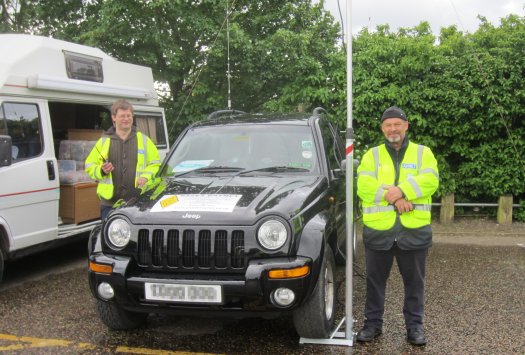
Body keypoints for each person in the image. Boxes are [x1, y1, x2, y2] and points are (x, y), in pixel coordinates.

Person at [356, 106, 439, 346]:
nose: (393, 129)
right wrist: (395, 198)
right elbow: (364, 185)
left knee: (414, 284)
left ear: (406, 126)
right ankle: (372, 325)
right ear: (382, 128)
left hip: (413, 232)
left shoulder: (424, 153)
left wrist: (402, 189)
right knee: (374, 283)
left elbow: (430, 180)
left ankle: (414, 328)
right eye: (388, 125)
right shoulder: (372, 155)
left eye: (397, 124)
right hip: (379, 232)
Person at [85, 99, 161, 220]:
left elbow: (156, 164)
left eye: (128, 115)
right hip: (109, 204)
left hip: (138, 202)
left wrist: (145, 176)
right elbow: (89, 166)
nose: (126, 119)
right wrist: (101, 170)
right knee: (109, 237)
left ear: (132, 117)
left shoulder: (145, 140)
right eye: (122, 116)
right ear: (114, 118)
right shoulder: (104, 141)